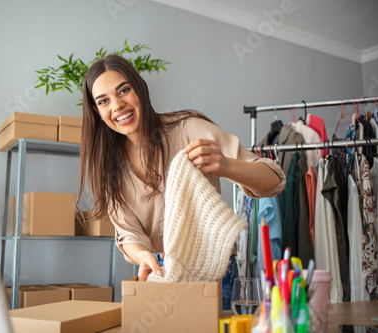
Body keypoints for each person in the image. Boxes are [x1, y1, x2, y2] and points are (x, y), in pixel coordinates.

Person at [76, 54, 285, 305]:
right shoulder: (110, 167)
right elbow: (128, 234)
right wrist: (144, 256)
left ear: (140, 88)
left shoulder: (188, 129)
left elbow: (274, 180)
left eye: (123, 90)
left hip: (215, 271)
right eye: (103, 101)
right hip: (161, 273)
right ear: (97, 112)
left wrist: (227, 165)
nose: (117, 105)